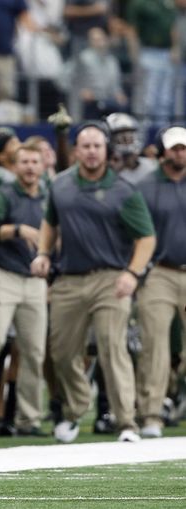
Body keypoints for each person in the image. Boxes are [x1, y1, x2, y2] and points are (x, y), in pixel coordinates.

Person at [31, 122, 156, 444]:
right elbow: (50, 223)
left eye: (97, 146)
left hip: (111, 278)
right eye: (85, 146)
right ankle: (76, 409)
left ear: (106, 150)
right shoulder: (60, 185)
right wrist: (44, 252)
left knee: (112, 346)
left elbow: (146, 238)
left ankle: (126, 422)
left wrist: (132, 273)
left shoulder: (124, 190)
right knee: (61, 352)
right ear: (76, 151)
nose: (91, 151)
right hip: (69, 279)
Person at [0, 143, 49, 437]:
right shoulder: (4, 193)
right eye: (25, 162)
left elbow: (58, 236)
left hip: (35, 279)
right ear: (16, 166)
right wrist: (18, 230)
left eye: (35, 162)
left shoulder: (48, 197)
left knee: (34, 351)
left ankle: (29, 418)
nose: (30, 167)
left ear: (43, 166)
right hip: (3, 275)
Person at [135, 126, 186, 438]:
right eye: (174, 148)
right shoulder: (147, 185)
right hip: (159, 272)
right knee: (155, 346)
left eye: (183, 148)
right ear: (164, 151)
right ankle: (152, 413)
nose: (179, 153)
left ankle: (174, 394)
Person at [105, 112, 156, 184]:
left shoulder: (150, 167)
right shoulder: (103, 170)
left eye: (130, 137)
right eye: (120, 138)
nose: (127, 141)